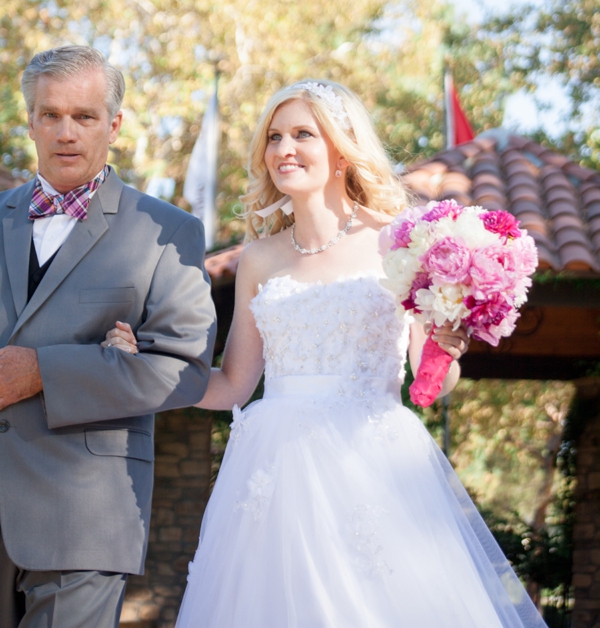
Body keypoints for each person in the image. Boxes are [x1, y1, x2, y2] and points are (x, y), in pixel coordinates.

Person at [107, 80, 547, 627]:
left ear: (341, 149)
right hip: (274, 473)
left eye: (302, 134)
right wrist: (146, 364)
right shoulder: (259, 260)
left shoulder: (400, 241)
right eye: (274, 137)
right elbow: (233, 386)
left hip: (373, 462)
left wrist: (447, 348)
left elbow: (427, 379)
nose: (282, 149)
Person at [0, 46, 216, 628]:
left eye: (85, 116)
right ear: (30, 121)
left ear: (114, 125)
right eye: (50, 115)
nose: (66, 132)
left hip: (85, 513)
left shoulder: (167, 232)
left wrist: (44, 369)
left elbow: (185, 367)